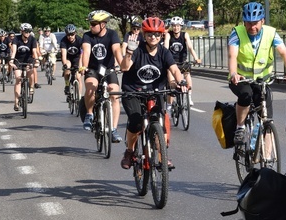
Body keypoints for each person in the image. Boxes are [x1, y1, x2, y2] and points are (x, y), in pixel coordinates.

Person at [118, 17, 186, 169]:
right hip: (133, 91)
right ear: (144, 35)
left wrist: (181, 82)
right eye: (149, 34)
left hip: (156, 92)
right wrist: (129, 52)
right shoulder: (137, 49)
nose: (153, 37)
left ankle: (163, 157)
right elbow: (124, 67)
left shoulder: (164, 52)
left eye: (156, 34)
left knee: (159, 122)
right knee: (136, 122)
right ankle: (129, 151)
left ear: (161, 35)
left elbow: (174, 69)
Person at [228, 1, 286, 144]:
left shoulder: (271, 33)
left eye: (256, 23)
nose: (252, 27)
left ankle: (268, 159)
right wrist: (234, 74)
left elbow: (284, 52)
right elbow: (232, 55)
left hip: (262, 81)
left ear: (262, 21)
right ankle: (240, 127)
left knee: (267, 120)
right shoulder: (237, 32)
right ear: (244, 22)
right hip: (241, 80)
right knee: (246, 95)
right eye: (249, 23)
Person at [80, 10, 124, 143]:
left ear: (103, 25)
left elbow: (116, 50)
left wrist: (123, 65)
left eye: (93, 24)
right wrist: (84, 66)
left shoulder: (112, 34)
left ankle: (113, 130)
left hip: (108, 69)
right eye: (90, 24)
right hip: (93, 69)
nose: (91, 26)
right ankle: (89, 114)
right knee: (91, 88)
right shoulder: (87, 36)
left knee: (114, 95)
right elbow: (86, 52)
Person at [164, 16, 201, 107]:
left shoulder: (185, 35)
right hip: (171, 62)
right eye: (174, 26)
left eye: (177, 26)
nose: (176, 28)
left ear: (181, 26)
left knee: (187, 74)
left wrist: (196, 58)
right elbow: (165, 48)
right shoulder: (168, 35)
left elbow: (190, 47)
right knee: (171, 80)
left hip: (182, 61)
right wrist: (164, 58)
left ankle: (189, 96)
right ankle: (169, 104)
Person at [9, 23, 40, 111]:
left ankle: (31, 88)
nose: (27, 33)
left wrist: (37, 60)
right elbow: (14, 51)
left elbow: (34, 51)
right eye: (26, 31)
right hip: (18, 60)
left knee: (31, 73)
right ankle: (16, 101)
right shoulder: (16, 39)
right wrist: (11, 60)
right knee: (18, 79)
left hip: (28, 60)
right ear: (22, 31)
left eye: (29, 31)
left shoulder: (33, 39)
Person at [60, 24, 82, 97]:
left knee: (78, 77)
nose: (70, 37)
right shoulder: (63, 41)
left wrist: (81, 65)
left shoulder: (79, 40)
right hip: (68, 58)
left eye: (72, 34)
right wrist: (65, 65)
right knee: (67, 69)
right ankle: (67, 84)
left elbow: (83, 53)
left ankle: (79, 96)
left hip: (77, 58)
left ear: (75, 33)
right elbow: (64, 55)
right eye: (68, 35)